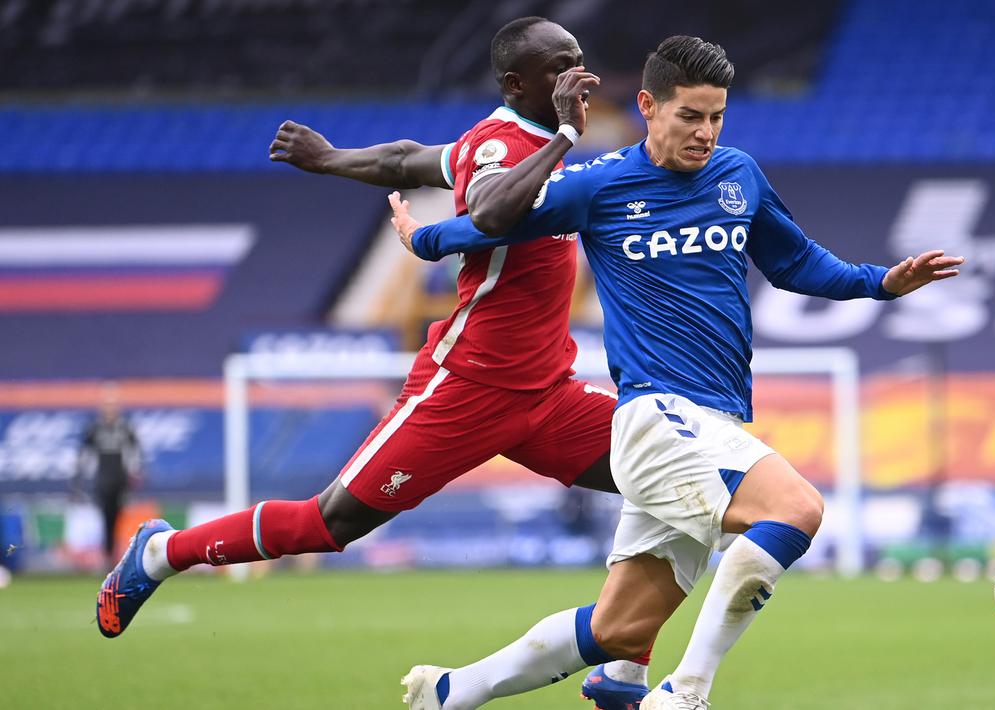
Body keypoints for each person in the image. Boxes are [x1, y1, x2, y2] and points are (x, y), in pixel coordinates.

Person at [392, 35, 963, 710]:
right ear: (648, 106)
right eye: (690, 115)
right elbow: (492, 224)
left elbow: (794, 263)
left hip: (712, 421)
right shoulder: (601, 184)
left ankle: (450, 692)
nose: (705, 132)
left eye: (716, 116)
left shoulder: (738, 175)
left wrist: (881, 283)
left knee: (619, 630)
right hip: (655, 416)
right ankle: (685, 693)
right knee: (796, 509)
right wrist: (423, 237)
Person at [95, 18, 648, 710]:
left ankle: (622, 672)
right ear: (515, 83)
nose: (578, 77)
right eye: (559, 66)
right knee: (330, 523)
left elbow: (406, 159)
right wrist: (567, 134)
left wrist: (331, 159)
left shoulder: (520, 143)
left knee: (664, 481)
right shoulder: (502, 146)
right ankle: (160, 553)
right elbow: (492, 211)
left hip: (548, 393)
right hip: (465, 388)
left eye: (579, 60)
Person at [76, 384, 143, 565]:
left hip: (120, 480)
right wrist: (80, 477)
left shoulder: (125, 428)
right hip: (103, 480)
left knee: (119, 517)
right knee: (105, 517)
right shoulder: (95, 428)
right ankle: (108, 555)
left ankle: (115, 553)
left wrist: (136, 474)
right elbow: (85, 453)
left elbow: (135, 452)